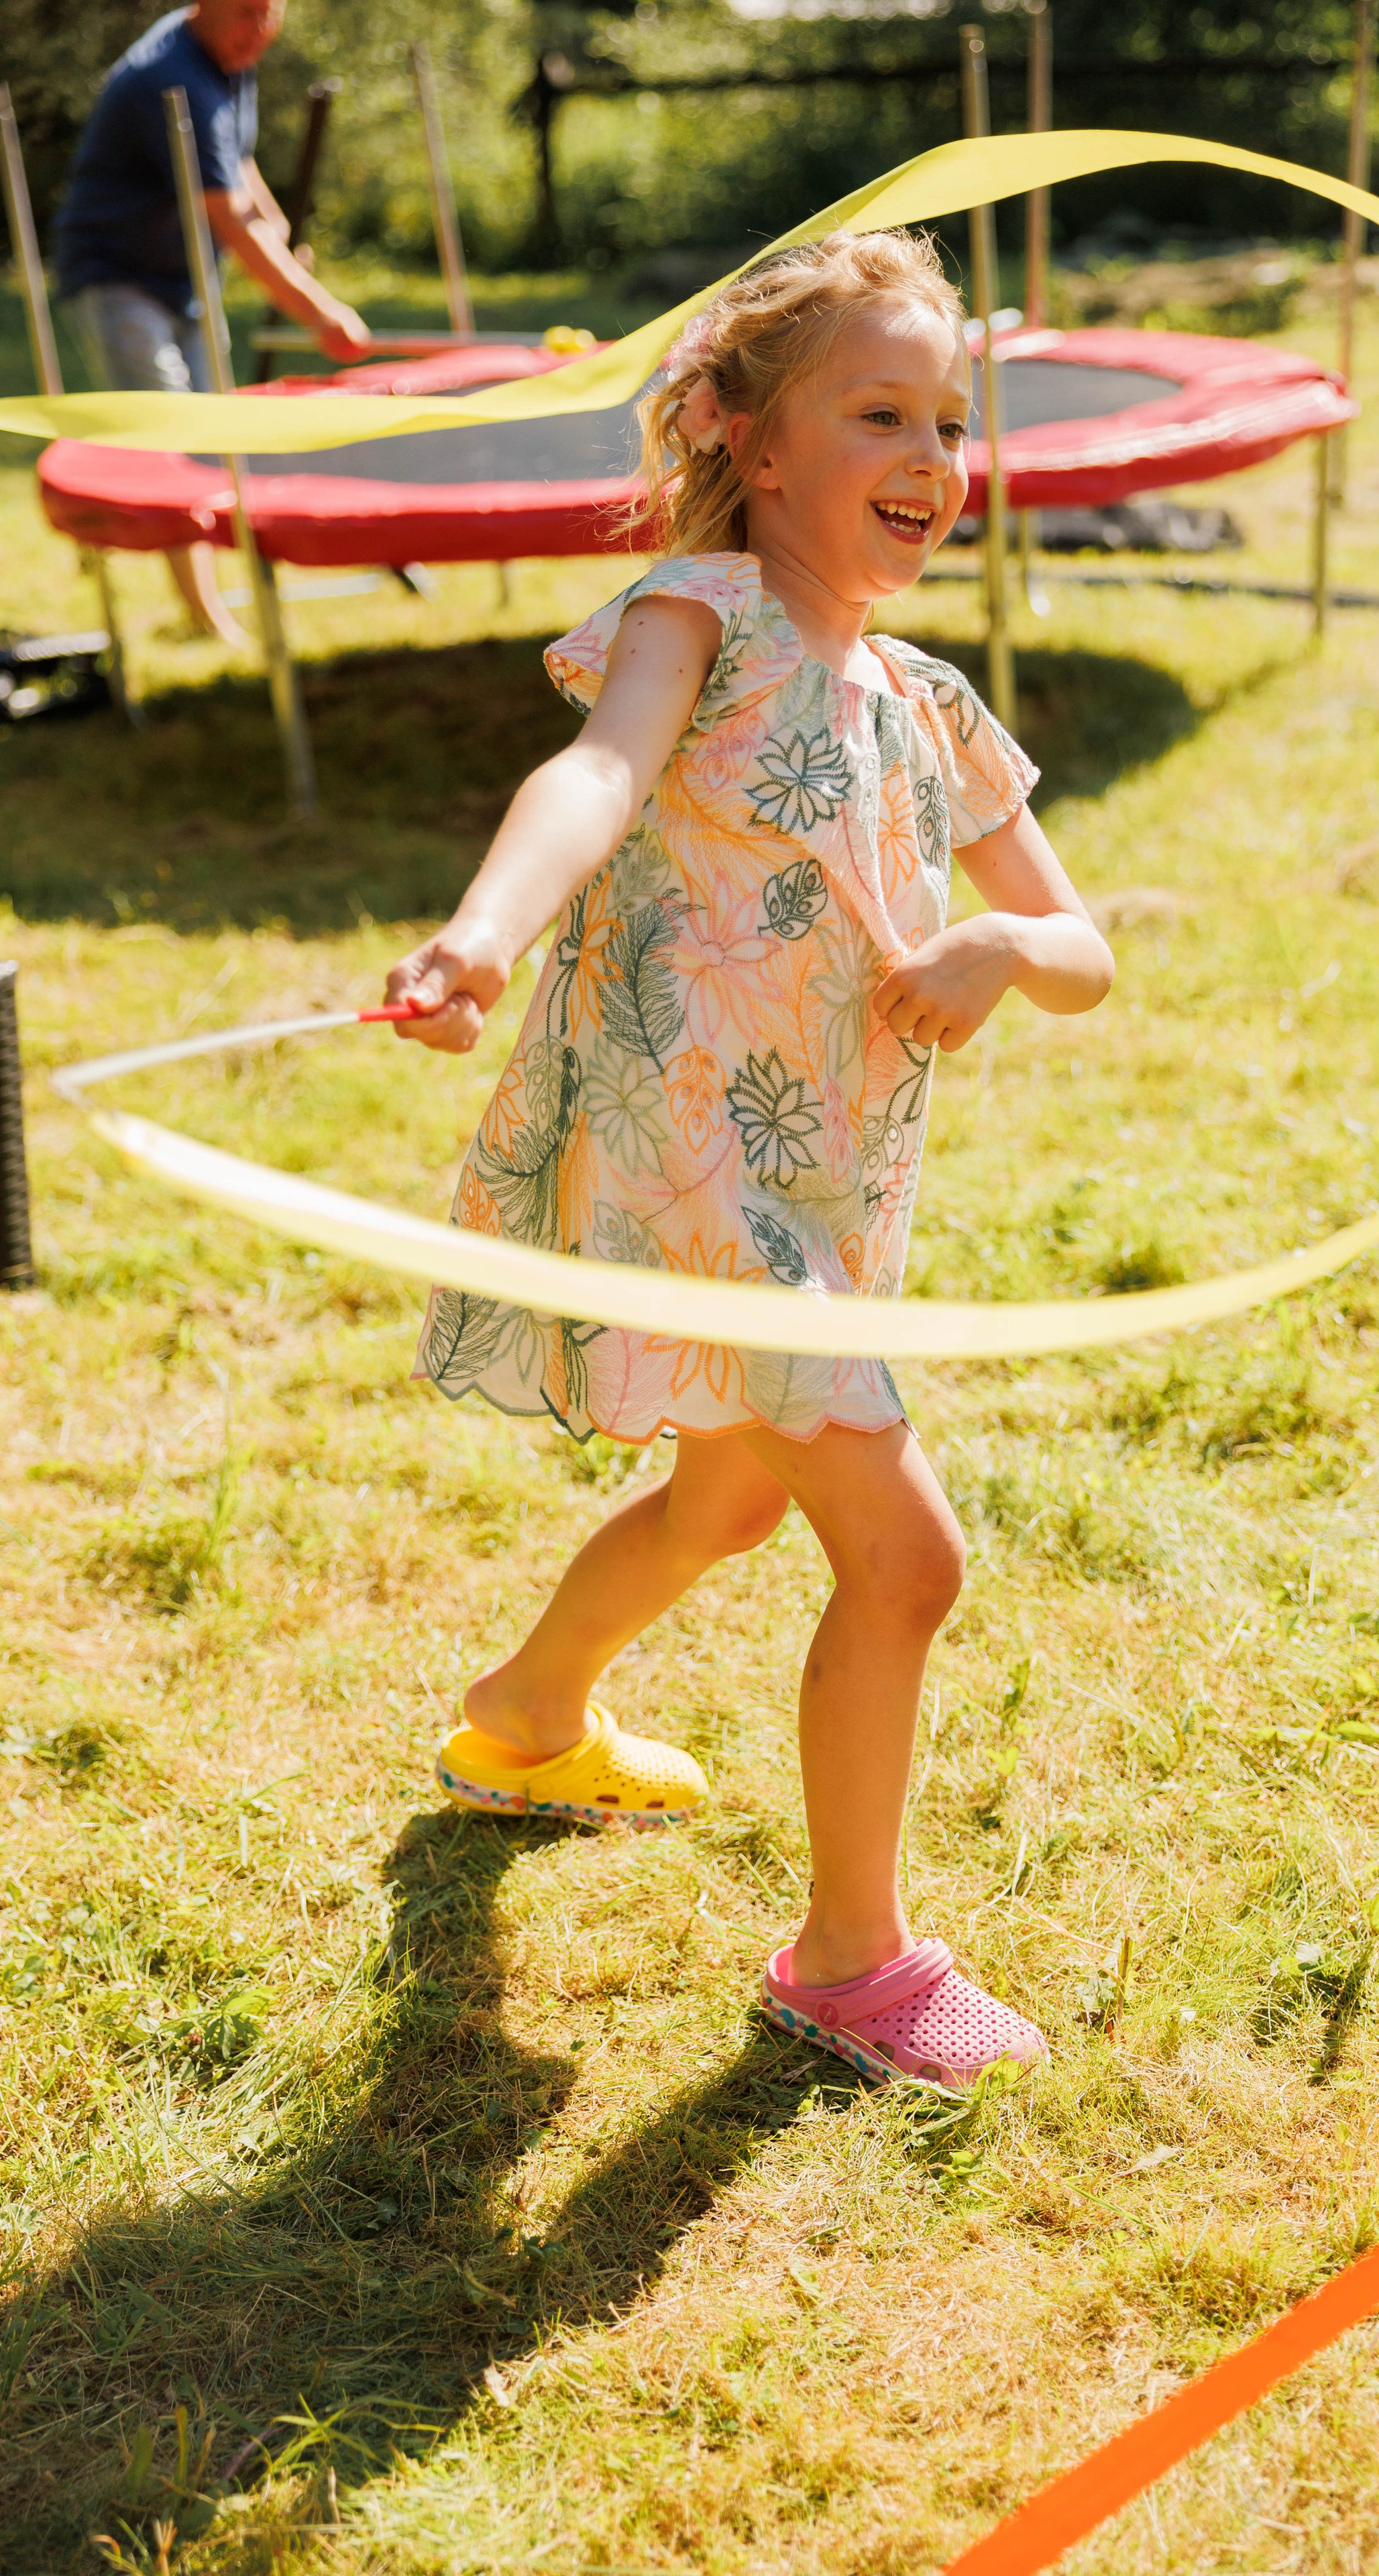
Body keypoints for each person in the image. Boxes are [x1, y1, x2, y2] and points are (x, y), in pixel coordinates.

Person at [384, 229, 1115, 2091]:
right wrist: (482, 931)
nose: (931, 454)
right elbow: (596, 781)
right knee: (908, 1562)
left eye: (947, 418)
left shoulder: (935, 710)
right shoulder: (692, 617)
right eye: (880, 410)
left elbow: (1088, 951)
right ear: (748, 437)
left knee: (727, 1496)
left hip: (823, 1186)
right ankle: (851, 1963)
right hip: (698, 1167)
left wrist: (1003, 949)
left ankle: (526, 1717)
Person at [54, 1, 371, 648]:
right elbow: (225, 216)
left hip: (184, 279)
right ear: (205, 3)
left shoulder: (230, 56)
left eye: (270, 12)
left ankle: (206, 599)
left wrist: (278, 237)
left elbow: (236, 159)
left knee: (212, 431)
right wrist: (319, 311)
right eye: (245, 12)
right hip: (116, 275)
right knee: (173, 430)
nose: (259, 29)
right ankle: (206, 616)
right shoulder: (168, 78)